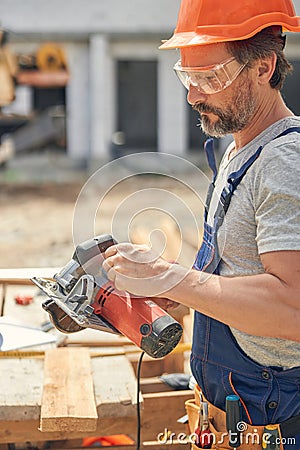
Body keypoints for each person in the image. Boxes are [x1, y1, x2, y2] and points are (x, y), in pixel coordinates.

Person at [103, 1, 300, 448]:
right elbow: (237, 278)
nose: (193, 95)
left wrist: (173, 277)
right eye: (187, 77)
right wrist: (174, 290)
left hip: (274, 427)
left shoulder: (285, 162)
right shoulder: (238, 152)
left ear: (263, 67)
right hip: (226, 422)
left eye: (210, 78)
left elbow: (293, 306)